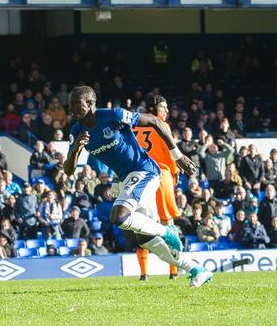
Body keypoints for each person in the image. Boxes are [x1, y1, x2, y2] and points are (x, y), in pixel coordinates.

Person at [64, 86, 212, 287]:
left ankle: (167, 231)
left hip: (144, 170)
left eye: (75, 103)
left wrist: (177, 156)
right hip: (126, 178)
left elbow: (154, 121)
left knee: (119, 216)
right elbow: (69, 170)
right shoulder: (77, 130)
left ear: (90, 103)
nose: (71, 108)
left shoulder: (113, 115)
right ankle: (196, 269)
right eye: (70, 103)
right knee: (145, 239)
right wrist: (75, 150)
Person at [133, 95, 182, 279]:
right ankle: (174, 271)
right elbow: (171, 155)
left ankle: (144, 273)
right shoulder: (162, 126)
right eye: (163, 107)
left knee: (140, 224)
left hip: (139, 178)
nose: (166, 111)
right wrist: (175, 174)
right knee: (167, 223)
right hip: (161, 176)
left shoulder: (134, 126)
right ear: (153, 109)